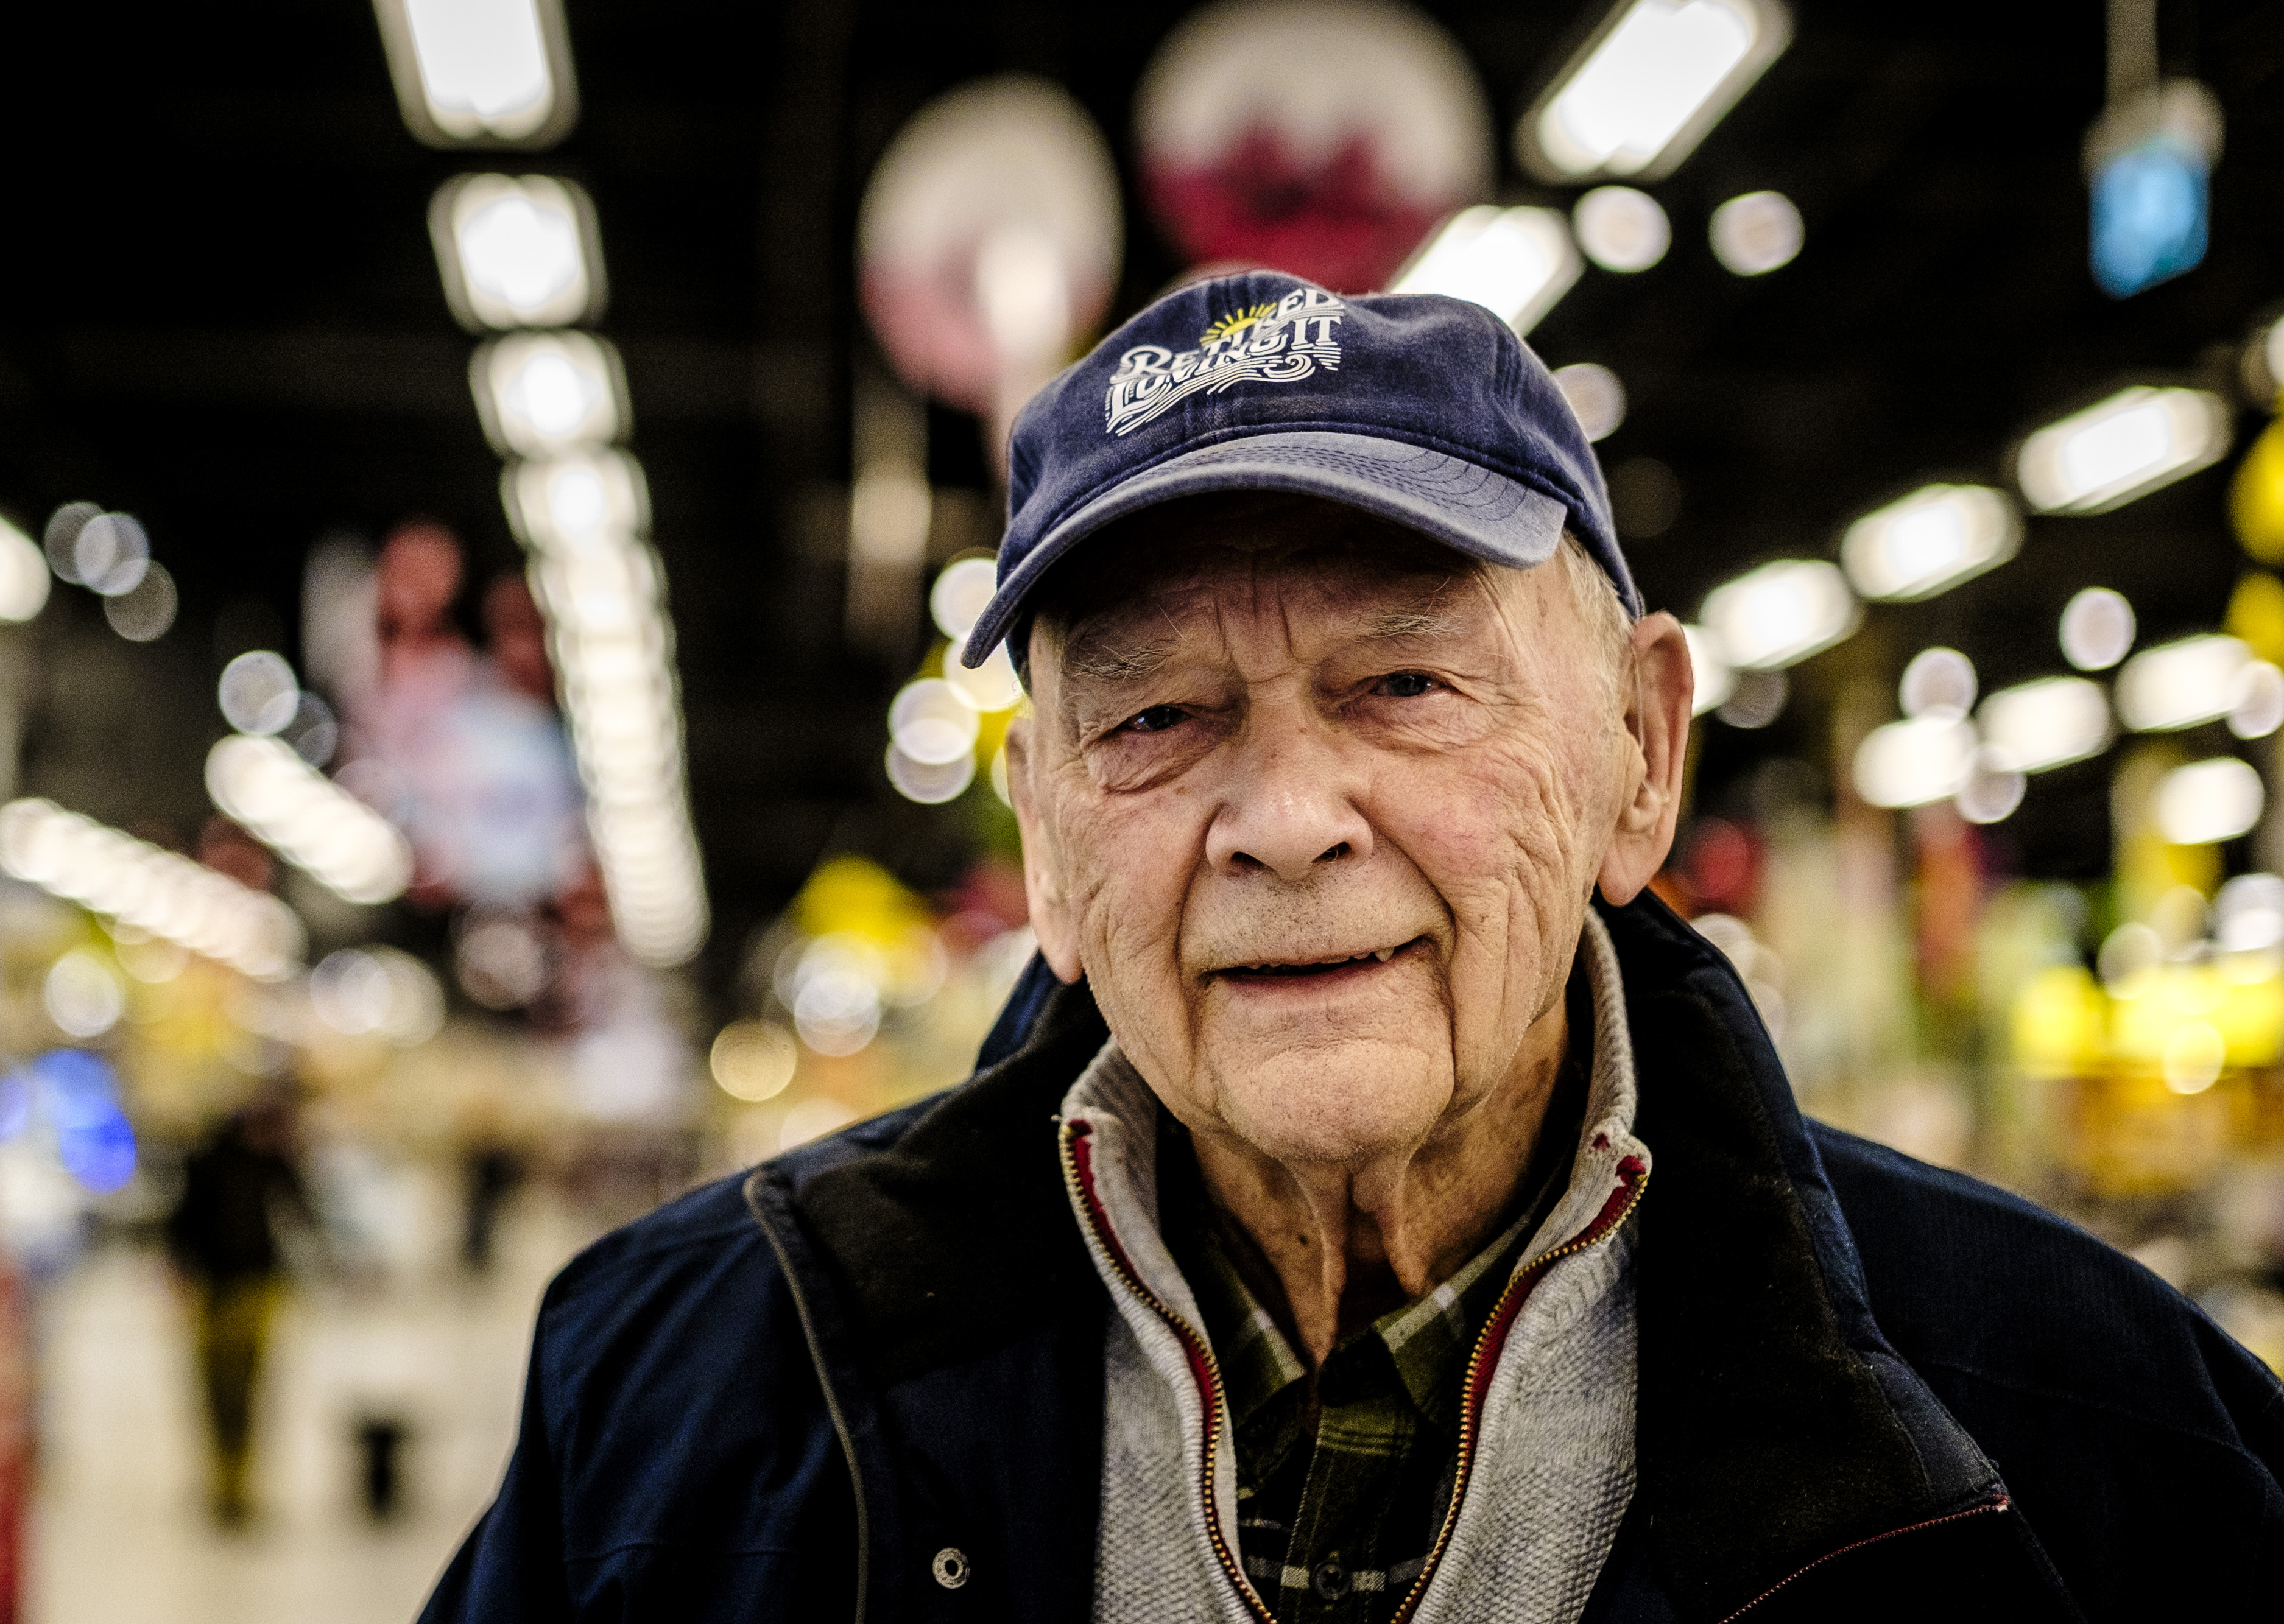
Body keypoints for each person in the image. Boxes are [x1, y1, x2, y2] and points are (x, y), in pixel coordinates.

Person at [423, 275, 2283, 1621]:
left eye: (1400, 681)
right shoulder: (675, 1395)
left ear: (1638, 755)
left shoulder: (2092, 1443)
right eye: (1153, 719)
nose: (1285, 815)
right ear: (1047, 848)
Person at [163, 1093, 312, 1527]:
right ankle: (223, 1481)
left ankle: (238, 1484)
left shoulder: (274, 1163)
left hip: (259, 1287)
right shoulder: (209, 1163)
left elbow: (302, 1212)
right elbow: (182, 1225)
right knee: (218, 1389)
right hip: (215, 1290)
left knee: (247, 1386)